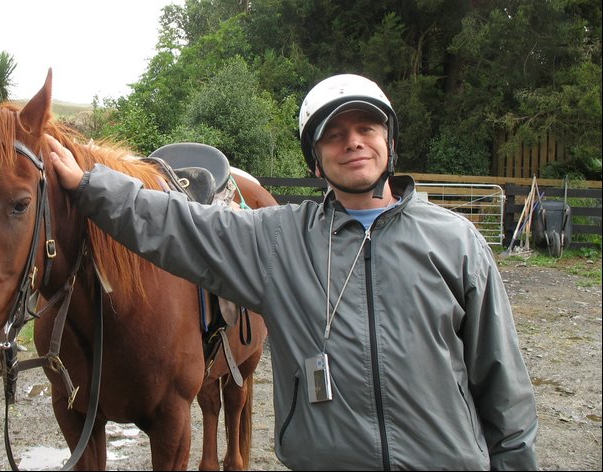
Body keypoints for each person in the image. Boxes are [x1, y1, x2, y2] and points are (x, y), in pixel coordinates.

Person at [46, 73, 538, 471]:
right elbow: (180, 225)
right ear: (317, 161)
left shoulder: (456, 242)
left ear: (390, 142)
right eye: (335, 135)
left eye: (367, 129)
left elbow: (501, 379)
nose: (354, 143)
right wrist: (89, 186)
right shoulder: (282, 240)